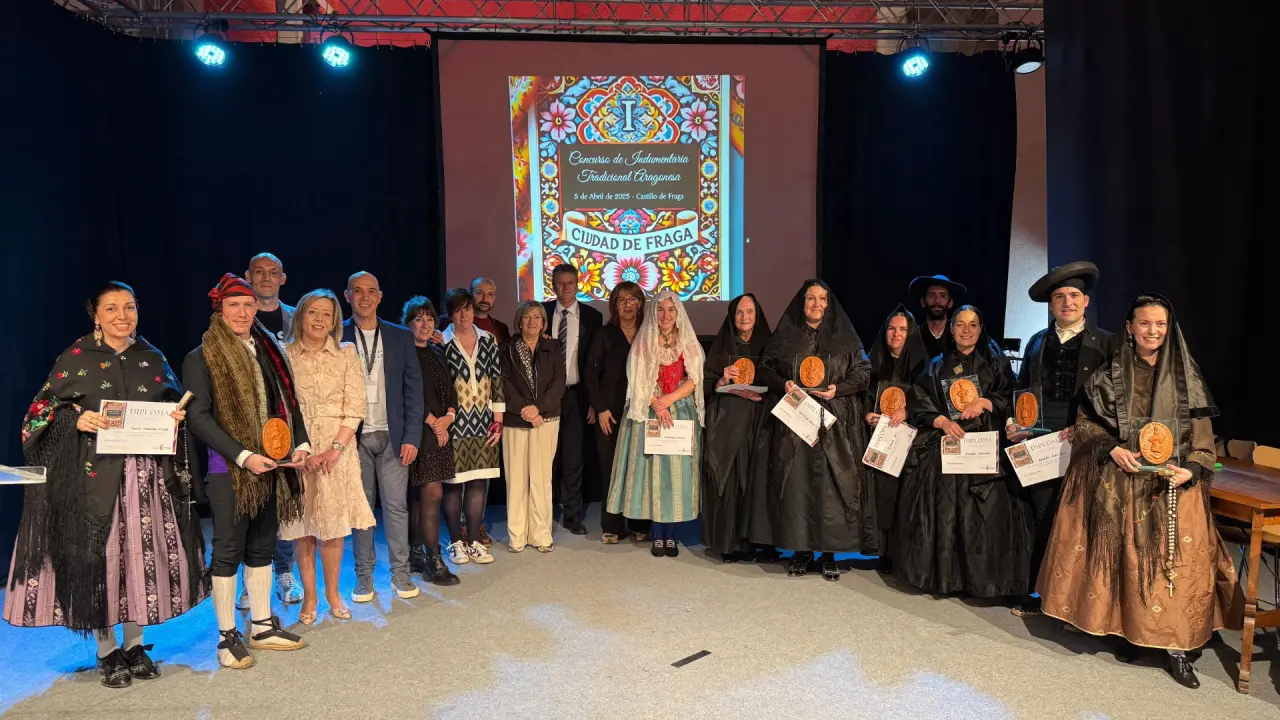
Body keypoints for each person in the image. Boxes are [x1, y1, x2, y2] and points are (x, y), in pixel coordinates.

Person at [4, 281, 207, 688]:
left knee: (139, 559)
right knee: (102, 561)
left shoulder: (151, 356)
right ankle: (106, 650)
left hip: (146, 480)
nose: (122, 316)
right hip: (94, 478)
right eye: (111, 308)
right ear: (95, 315)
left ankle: (135, 645)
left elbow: (171, 403)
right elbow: (38, 414)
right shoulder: (76, 357)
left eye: (129, 307)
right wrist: (75, 419)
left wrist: (174, 417)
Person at [1037, 294, 1237, 689]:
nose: (1153, 331)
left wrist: (1192, 469)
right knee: (1124, 560)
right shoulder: (1109, 376)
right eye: (1145, 323)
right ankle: (1130, 633)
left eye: (1160, 324)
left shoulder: (1186, 378)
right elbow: (1086, 425)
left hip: (1173, 486)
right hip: (1123, 481)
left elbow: (1203, 441)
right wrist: (1111, 448)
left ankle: (1176, 647)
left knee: (1175, 565)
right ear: (1130, 328)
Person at [183, 273, 310, 670]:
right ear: (219, 309)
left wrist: (300, 443)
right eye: (233, 305)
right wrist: (242, 456)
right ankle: (226, 637)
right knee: (227, 552)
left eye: (248, 305)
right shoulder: (201, 356)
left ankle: (261, 625)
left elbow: (288, 401)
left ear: (257, 308)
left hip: (272, 464)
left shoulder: (269, 349)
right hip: (230, 470)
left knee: (261, 547)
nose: (241, 312)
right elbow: (198, 418)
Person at [894, 304, 1029, 598]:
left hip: (984, 447)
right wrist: (941, 421)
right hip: (947, 444)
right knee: (943, 507)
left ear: (981, 330)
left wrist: (985, 402)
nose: (966, 331)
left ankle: (980, 580)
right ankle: (946, 577)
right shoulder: (936, 364)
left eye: (973, 325)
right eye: (960, 324)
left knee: (983, 510)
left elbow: (1012, 396)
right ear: (951, 329)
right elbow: (919, 400)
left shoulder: (996, 363)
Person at [1008, 262, 1119, 617]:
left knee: (1079, 518)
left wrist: (1089, 428)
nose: (1066, 302)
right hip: (1041, 441)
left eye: (1073, 296)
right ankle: (1038, 592)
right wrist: (1015, 422)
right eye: (1059, 297)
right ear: (1051, 304)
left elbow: (1118, 401)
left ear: (1085, 301)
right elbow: (1022, 389)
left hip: (1086, 442)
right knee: (1042, 516)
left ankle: (1077, 600)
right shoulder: (1037, 341)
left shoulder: (1108, 344)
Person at [752, 280, 873, 581]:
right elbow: (765, 368)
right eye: (810, 298)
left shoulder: (845, 336)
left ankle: (829, 553)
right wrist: (783, 383)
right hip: (794, 423)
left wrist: (838, 389)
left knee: (831, 489)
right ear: (801, 302)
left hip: (834, 423)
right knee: (797, 486)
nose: (817, 304)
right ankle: (801, 550)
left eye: (822, 299)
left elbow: (863, 372)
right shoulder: (786, 335)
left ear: (829, 303)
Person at [279, 290, 373, 624]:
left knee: (332, 526)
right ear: (300, 316)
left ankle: (333, 593)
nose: (319, 320)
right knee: (302, 524)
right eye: (313, 312)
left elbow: (356, 406)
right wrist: (299, 449)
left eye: (327, 314)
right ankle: (310, 596)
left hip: (338, 450)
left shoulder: (346, 353)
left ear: (334, 321)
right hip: (298, 450)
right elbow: (280, 407)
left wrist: (335, 449)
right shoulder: (285, 354)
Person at [342, 271, 424, 602]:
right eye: (357, 291)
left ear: (379, 297)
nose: (364, 297)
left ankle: (400, 574)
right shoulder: (336, 334)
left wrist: (412, 436)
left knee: (396, 507)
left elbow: (413, 390)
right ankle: (364, 577)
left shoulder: (400, 336)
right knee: (361, 511)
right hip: (353, 437)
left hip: (394, 435)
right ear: (347, 296)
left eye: (371, 291)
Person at [605, 290, 704, 558]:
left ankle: (671, 534)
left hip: (679, 410)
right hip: (649, 410)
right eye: (660, 309)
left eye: (670, 310)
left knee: (675, 475)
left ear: (678, 312)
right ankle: (657, 534)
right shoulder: (644, 340)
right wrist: (656, 403)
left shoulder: (687, 341)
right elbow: (636, 379)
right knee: (653, 473)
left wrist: (668, 400)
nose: (665, 315)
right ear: (653, 312)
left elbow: (694, 379)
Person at [239, 251, 301, 606]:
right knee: (252, 502)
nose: (265, 278)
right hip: (247, 423)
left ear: (282, 278)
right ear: (248, 276)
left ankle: (285, 572)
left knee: (284, 500)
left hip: (287, 421)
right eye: (259, 272)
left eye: (272, 272)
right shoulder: (237, 316)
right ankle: (252, 576)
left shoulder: (297, 317)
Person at [702, 294, 772, 563]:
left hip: (759, 422)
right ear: (732, 316)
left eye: (750, 312)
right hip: (728, 422)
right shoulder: (721, 346)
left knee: (758, 480)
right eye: (740, 313)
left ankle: (760, 544)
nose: (745, 318)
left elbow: (778, 381)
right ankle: (729, 543)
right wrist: (722, 381)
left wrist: (763, 392)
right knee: (730, 481)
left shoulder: (769, 345)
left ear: (757, 315)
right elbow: (706, 383)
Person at [583, 281, 651, 544]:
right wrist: (600, 408)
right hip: (609, 414)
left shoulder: (648, 334)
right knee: (611, 469)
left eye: (633, 299)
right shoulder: (604, 334)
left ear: (640, 303)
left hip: (641, 412)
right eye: (622, 300)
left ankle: (640, 524)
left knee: (639, 468)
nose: (627, 304)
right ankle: (612, 525)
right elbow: (590, 374)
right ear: (614, 305)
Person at [441, 288, 504, 566]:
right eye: (458, 310)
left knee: (479, 481)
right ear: (450, 314)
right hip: (455, 422)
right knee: (454, 485)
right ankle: (456, 542)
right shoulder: (442, 341)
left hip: (484, 422)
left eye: (467, 309)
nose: (464, 315)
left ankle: (475, 541)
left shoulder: (488, 339)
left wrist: (498, 419)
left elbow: (497, 379)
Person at [862, 304, 928, 570]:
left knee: (903, 496)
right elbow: (861, 397)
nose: (896, 334)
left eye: (903, 329)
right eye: (891, 328)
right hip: (878, 439)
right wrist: (867, 414)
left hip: (910, 442)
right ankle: (881, 551)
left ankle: (900, 554)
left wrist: (908, 409)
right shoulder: (870, 364)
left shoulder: (924, 365)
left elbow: (930, 400)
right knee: (881, 493)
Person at [402, 297, 460, 586]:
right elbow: (405, 394)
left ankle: (416, 554)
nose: (425, 324)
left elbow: (451, 390)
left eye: (429, 319)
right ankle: (433, 560)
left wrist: (448, 417)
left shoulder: (437, 351)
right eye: (418, 319)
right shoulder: (404, 353)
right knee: (431, 493)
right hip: (418, 429)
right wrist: (433, 422)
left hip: (440, 429)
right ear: (408, 323)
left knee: (422, 496)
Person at [500, 301, 566, 552]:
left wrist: (538, 409)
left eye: (537, 317)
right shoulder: (505, 349)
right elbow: (503, 383)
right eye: (527, 317)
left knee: (541, 479)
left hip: (546, 420)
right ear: (519, 321)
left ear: (543, 322)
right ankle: (517, 536)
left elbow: (558, 383)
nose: (532, 322)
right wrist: (525, 410)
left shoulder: (553, 347)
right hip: (515, 421)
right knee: (516, 480)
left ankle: (541, 534)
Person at [544, 263, 603, 535]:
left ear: (578, 285)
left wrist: (593, 401)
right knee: (546, 458)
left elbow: (595, 363)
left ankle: (571, 514)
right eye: (560, 283)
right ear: (553, 285)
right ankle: (543, 514)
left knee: (573, 458)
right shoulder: (541, 313)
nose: (565, 287)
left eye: (570, 282)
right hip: (545, 397)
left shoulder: (592, 317)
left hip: (577, 395)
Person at [464, 276, 507, 547]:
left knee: (483, 474)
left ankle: (475, 523)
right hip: (458, 414)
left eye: (490, 294)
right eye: (479, 293)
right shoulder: (447, 325)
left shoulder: (500, 329)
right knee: (459, 475)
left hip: (488, 414)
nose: (485, 299)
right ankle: (459, 526)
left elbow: (500, 373)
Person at [909, 275, 965, 360]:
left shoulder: (961, 336)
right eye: (932, 295)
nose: (937, 301)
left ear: (950, 303)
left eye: (943, 296)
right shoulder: (913, 338)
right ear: (923, 302)